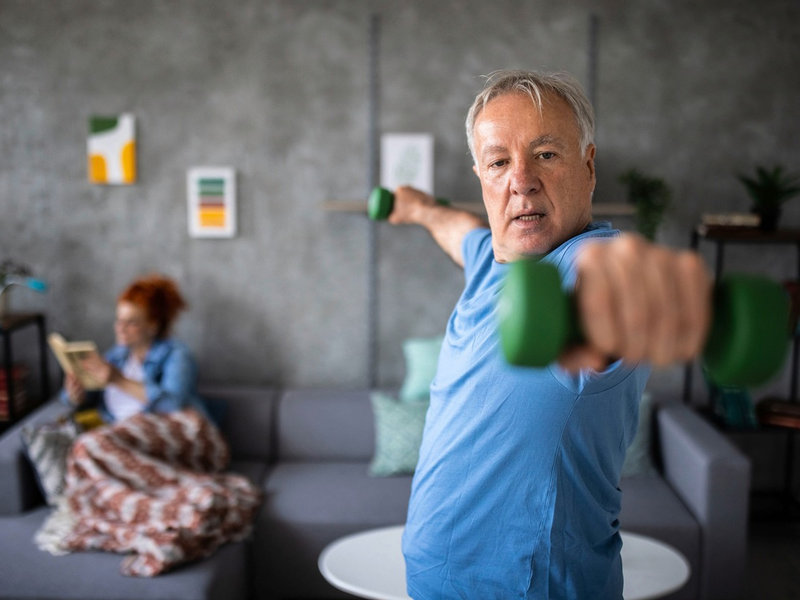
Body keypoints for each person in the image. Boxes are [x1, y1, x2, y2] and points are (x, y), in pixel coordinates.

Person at [390, 70, 711, 599]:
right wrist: (418, 209)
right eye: (499, 162)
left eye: (545, 154)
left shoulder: (587, 265)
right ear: (482, 177)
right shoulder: (494, 265)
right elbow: (459, 232)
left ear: (588, 167)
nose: (521, 180)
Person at [62, 274, 209, 424]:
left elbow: (172, 405)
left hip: (162, 432)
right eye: (119, 321)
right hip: (115, 432)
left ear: (153, 325)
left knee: (93, 443)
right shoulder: (117, 356)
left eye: (131, 323)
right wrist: (75, 396)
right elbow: (82, 399)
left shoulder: (176, 355)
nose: (121, 329)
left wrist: (118, 379)